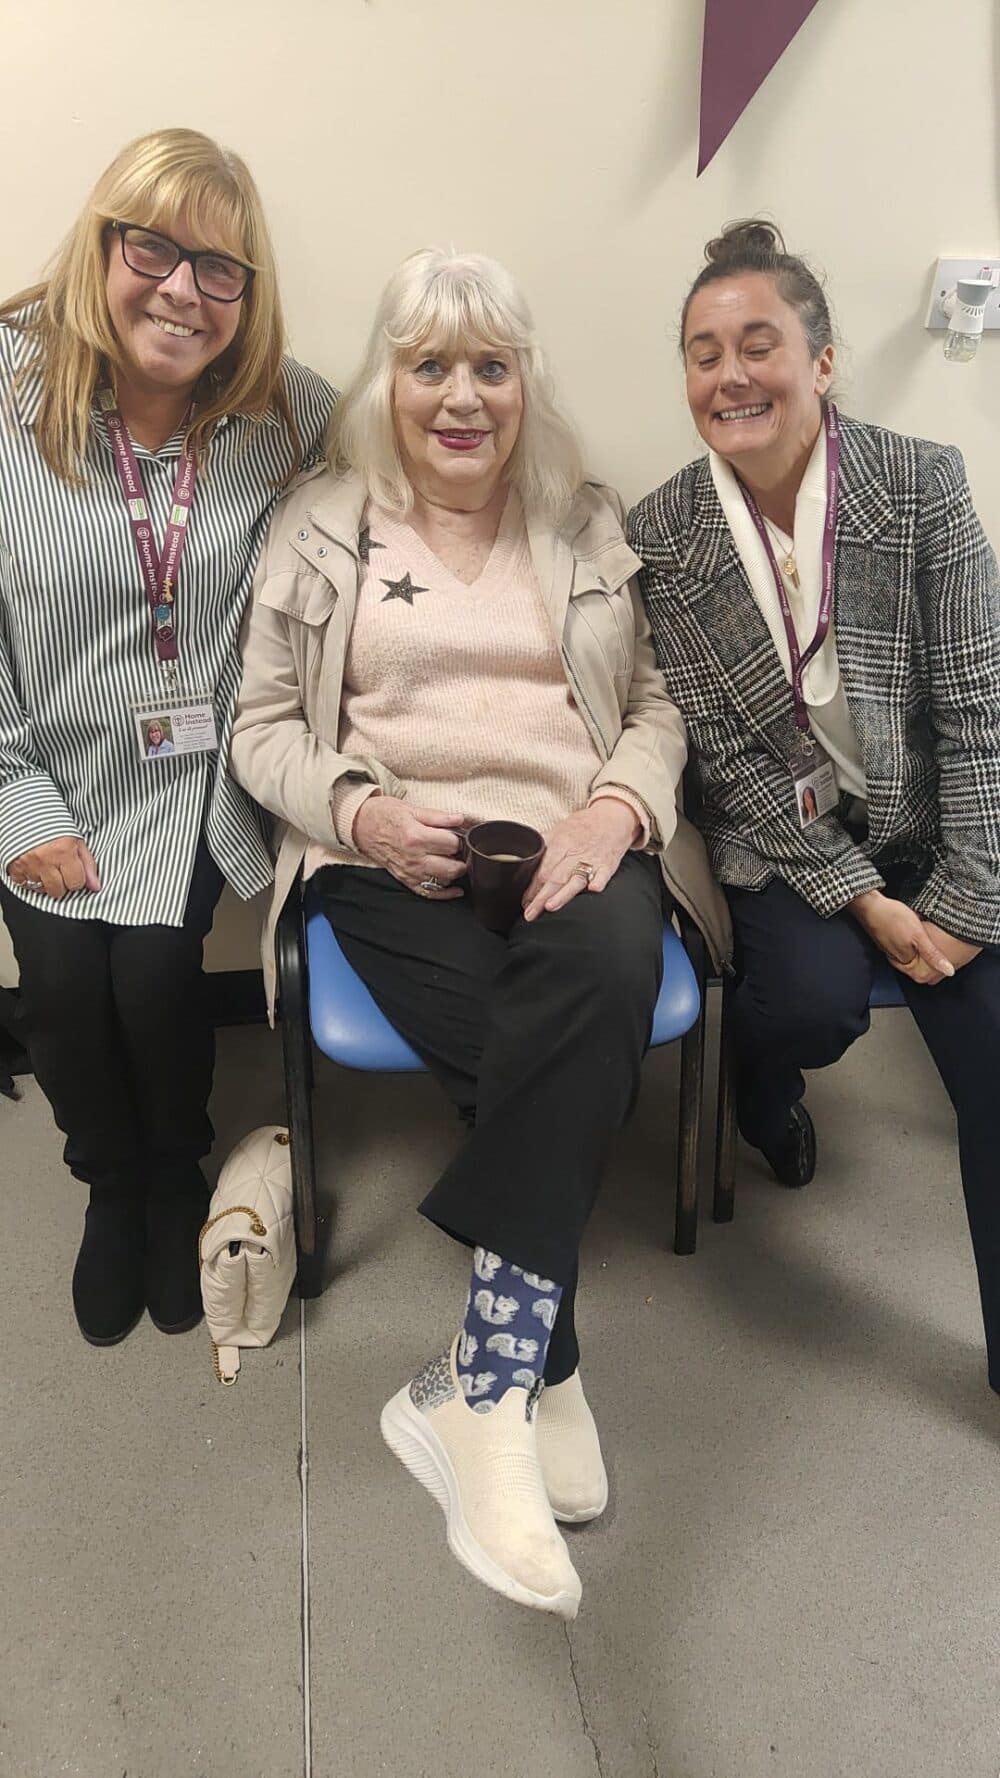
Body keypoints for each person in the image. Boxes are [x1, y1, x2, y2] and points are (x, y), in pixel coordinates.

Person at [231, 248, 730, 1617]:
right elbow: (261, 729)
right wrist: (358, 809)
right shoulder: (321, 522)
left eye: (490, 368)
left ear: (526, 383)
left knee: (614, 963)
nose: (461, 397)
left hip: (570, 843)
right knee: (547, 1041)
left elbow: (654, 707)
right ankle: (538, 1362)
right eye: (430, 365)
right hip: (390, 859)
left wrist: (619, 812)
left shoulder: (582, 520)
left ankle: (480, 1382)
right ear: (390, 382)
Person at [629, 219, 1000, 1397]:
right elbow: (728, 766)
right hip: (784, 841)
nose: (729, 374)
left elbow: (982, 710)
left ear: (821, 361)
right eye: (702, 352)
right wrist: (868, 906)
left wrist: (966, 897)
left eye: (758, 344)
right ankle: (761, 1082)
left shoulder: (921, 483)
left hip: (934, 825)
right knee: (812, 1003)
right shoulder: (664, 534)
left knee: (993, 1059)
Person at [0, 129, 335, 1347]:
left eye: (220, 268)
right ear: (103, 247)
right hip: (33, 762)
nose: (182, 290)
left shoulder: (289, 414)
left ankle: (175, 1168)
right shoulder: (6, 392)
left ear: (249, 296)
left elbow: (402, 496)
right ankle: (110, 1181)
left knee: (150, 976)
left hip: (195, 772)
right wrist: (19, 808)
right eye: (155, 247)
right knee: (61, 989)